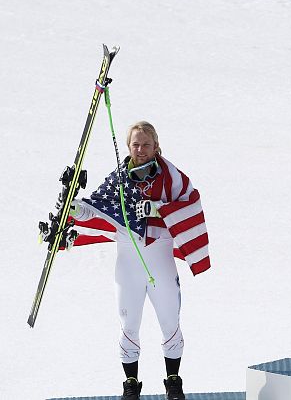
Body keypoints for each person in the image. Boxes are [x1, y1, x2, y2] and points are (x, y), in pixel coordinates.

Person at [68, 121, 210, 400]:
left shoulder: (173, 179)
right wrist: (73, 208)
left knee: (170, 322)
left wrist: (157, 210)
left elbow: (192, 205)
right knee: (128, 324)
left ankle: (173, 381)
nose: (141, 149)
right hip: (128, 267)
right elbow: (95, 210)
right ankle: (130, 384)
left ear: (156, 146)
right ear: (128, 146)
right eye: (136, 144)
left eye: (146, 144)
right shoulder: (118, 180)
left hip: (161, 262)